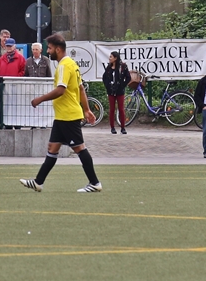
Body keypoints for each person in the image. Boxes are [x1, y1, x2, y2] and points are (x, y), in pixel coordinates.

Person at [19, 33, 101, 193]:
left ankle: (95, 183)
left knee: (79, 148)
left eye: (49, 48)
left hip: (68, 116)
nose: (48, 51)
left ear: (58, 49)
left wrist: (40, 99)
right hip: (63, 116)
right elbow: (80, 88)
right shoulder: (71, 63)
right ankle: (38, 182)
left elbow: (61, 90)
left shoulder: (64, 65)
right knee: (52, 147)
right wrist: (86, 109)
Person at [101, 52, 130, 135]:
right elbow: (104, 77)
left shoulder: (122, 67)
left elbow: (128, 77)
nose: (109, 58)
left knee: (121, 109)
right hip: (111, 91)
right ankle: (112, 127)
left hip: (120, 91)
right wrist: (108, 86)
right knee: (112, 109)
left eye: (111, 57)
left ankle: (123, 127)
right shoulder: (109, 68)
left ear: (115, 58)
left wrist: (122, 85)